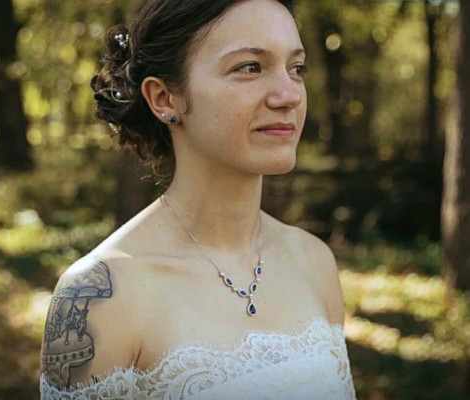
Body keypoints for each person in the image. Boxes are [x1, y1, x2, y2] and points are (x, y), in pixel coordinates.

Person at [40, 0, 357, 398]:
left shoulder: (314, 262)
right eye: (250, 67)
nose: (288, 94)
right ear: (164, 98)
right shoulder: (100, 296)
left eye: (297, 68)